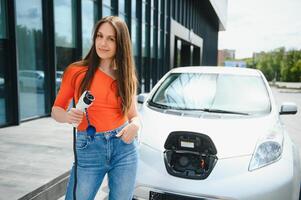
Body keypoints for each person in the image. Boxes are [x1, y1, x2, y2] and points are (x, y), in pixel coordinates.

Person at [51, 16, 140, 200]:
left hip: (124, 146)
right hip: (89, 147)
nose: (103, 43)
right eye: (99, 36)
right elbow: (56, 110)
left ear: (120, 43)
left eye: (111, 38)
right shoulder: (76, 71)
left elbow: (134, 116)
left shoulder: (125, 75)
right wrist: (68, 117)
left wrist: (136, 126)